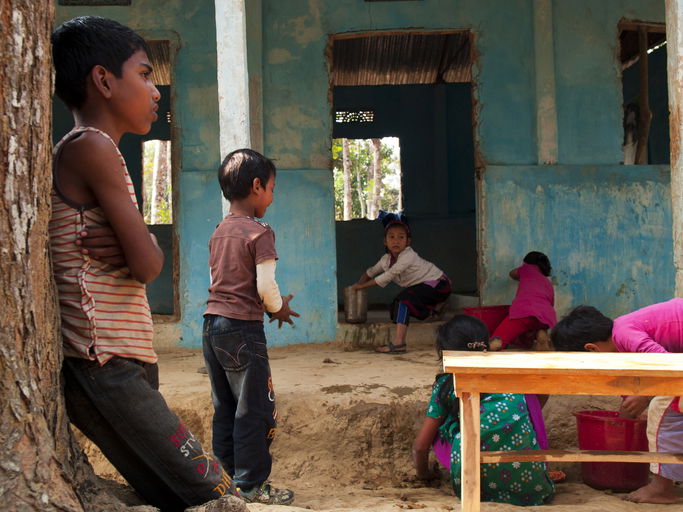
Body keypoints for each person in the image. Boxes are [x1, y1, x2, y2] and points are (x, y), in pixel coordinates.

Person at [50, 17, 236, 511]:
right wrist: (142, 247)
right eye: (145, 74)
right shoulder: (91, 147)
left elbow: (143, 257)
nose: (155, 91)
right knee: (213, 492)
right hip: (102, 363)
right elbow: (151, 265)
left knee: (175, 492)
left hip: (123, 361)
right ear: (104, 80)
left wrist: (139, 245)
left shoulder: (97, 150)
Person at [203, 148, 299, 505]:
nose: (272, 197)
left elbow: (223, 280)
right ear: (257, 186)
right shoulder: (260, 233)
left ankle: (226, 478)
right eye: (272, 189)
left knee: (225, 407)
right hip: (243, 330)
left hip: (212, 327)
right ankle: (252, 484)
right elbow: (264, 287)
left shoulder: (219, 231)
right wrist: (280, 309)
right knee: (254, 410)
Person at [412, 314, 555, 506]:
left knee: (442, 427)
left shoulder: (446, 383)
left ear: (444, 351)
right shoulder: (509, 373)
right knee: (525, 400)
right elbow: (542, 396)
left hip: (473, 487)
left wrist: (424, 475)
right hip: (531, 487)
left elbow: (420, 447)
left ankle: (462, 467)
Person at [551, 299, 683, 504]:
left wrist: (646, 395)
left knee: (662, 408)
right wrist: (630, 410)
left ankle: (661, 489)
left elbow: (668, 366)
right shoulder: (622, 334)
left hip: (674, 366)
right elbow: (632, 383)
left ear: (591, 349)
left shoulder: (625, 334)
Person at [351, 212, 451, 353]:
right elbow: (371, 272)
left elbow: (388, 276)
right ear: (385, 241)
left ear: (407, 241)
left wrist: (361, 287)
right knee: (398, 305)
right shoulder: (385, 260)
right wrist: (358, 286)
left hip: (440, 285)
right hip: (424, 287)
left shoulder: (408, 256)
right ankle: (434, 310)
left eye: (401, 237)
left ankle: (399, 344)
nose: (396, 241)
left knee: (403, 301)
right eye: (391, 237)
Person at [490, 251, 556, 351]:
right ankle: (541, 333)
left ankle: (493, 347)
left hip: (524, 311)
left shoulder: (526, 269)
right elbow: (551, 303)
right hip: (546, 315)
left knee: (497, 340)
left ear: (526, 263)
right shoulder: (547, 282)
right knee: (537, 323)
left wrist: (522, 271)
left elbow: (511, 274)